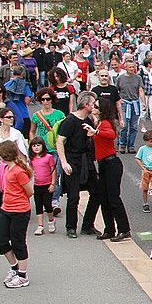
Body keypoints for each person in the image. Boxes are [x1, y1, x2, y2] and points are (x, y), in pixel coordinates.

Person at [85, 97, 130, 241]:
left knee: (113, 198)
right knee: (104, 198)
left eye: (96, 106)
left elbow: (111, 135)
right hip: (104, 163)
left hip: (111, 163)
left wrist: (95, 132)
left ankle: (124, 229)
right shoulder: (98, 123)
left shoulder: (104, 123)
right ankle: (109, 229)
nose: (94, 108)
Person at [55, 91, 97, 239]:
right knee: (73, 196)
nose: (94, 105)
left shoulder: (89, 120)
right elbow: (60, 141)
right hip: (73, 159)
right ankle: (71, 227)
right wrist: (64, 162)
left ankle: (87, 225)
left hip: (86, 160)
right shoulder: (70, 121)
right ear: (85, 105)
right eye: (92, 103)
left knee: (96, 192)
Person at [0, 140, 33, 289]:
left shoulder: (18, 171)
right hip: (6, 209)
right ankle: (14, 267)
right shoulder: (6, 168)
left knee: (18, 242)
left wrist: (18, 199)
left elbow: (30, 191)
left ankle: (23, 275)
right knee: (1, 240)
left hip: (20, 211)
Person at [29, 137, 57, 235]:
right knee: (38, 205)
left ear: (43, 146)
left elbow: (53, 171)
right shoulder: (32, 159)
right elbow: (31, 171)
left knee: (48, 204)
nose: (36, 148)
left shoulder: (48, 157)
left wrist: (53, 183)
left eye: (38, 145)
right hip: (37, 185)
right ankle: (40, 225)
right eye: (34, 146)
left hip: (47, 185)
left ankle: (51, 220)